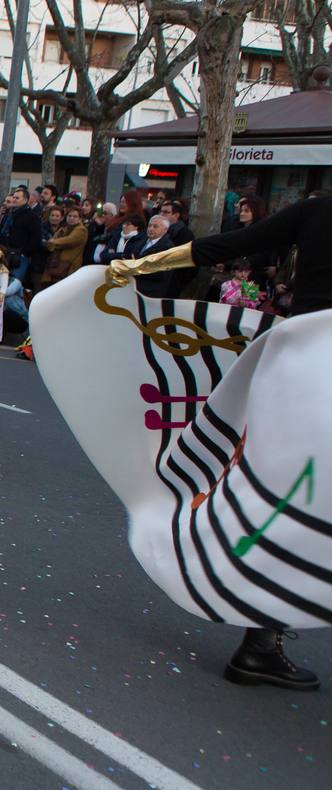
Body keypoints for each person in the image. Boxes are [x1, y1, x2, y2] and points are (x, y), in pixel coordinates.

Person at [106, 191, 332, 690]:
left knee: (289, 503)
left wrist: (139, 266)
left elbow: (229, 244)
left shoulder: (318, 209)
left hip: (302, 370)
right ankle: (260, 642)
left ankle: (260, 642)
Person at [40, 206, 87, 289]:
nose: (71, 218)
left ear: (80, 219)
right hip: (56, 265)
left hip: (69, 266)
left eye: (75, 216)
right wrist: (52, 242)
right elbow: (50, 245)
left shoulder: (81, 230)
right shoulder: (64, 228)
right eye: (69, 216)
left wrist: (54, 242)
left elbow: (69, 240)